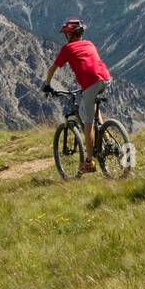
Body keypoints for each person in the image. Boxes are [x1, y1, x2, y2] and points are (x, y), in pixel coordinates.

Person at [42, 18, 112, 174]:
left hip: (91, 83)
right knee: (91, 105)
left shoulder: (67, 49)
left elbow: (52, 69)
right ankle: (106, 139)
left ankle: (89, 162)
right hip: (106, 79)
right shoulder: (89, 43)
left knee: (88, 125)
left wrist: (47, 85)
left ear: (69, 35)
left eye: (66, 34)